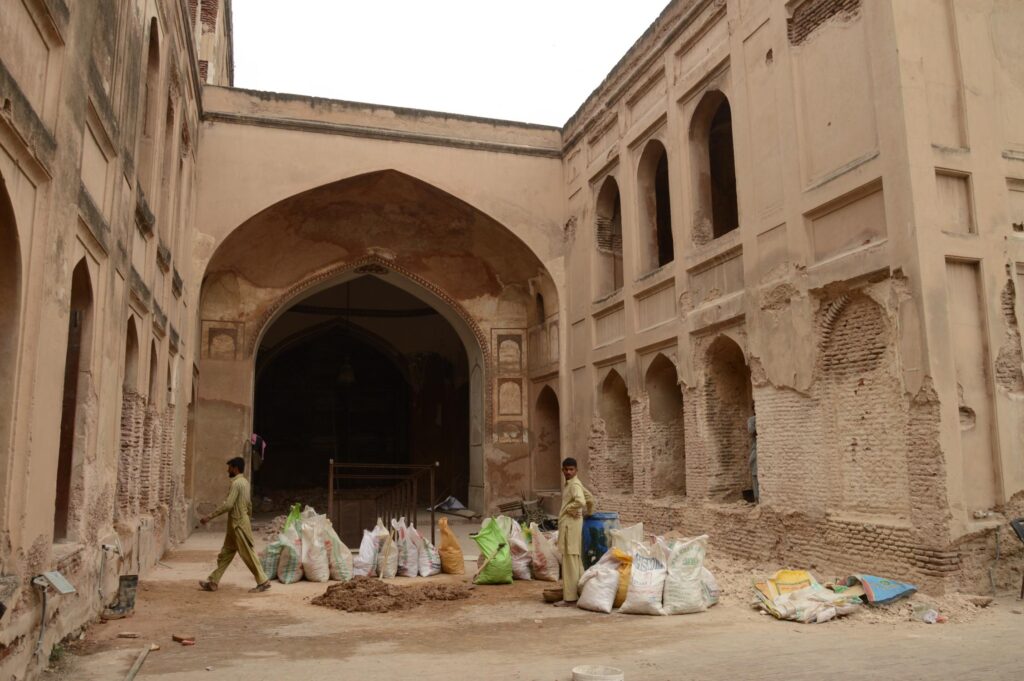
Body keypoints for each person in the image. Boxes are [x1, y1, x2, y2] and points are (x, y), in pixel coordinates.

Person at [198, 457, 271, 593]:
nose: (228, 470)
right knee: (225, 554)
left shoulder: (236, 484)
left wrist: (210, 516)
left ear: (235, 468)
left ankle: (263, 581)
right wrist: (247, 518)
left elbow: (228, 504)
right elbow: (249, 504)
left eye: (229, 467)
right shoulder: (245, 482)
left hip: (238, 524)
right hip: (237, 524)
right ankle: (213, 581)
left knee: (248, 554)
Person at [555, 457, 594, 606]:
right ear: (562, 470)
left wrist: (570, 509)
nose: (568, 472)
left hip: (570, 527)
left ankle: (570, 598)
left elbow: (581, 501)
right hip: (573, 525)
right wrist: (589, 514)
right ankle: (580, 592)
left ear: (576, 470)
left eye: (571, 469)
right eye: (566, 469)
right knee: (575, 559)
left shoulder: (573, 485)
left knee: (570, 560)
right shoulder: (575, 483)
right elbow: (590, 498)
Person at [748, 413, 759, 503]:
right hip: (755, 448)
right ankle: (756, 498)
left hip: (758, 450)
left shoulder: (752, 419)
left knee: (755, 474)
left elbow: (751, 431)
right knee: (754, 473)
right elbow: (751, 431)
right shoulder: (753, 419)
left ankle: (758, 498)